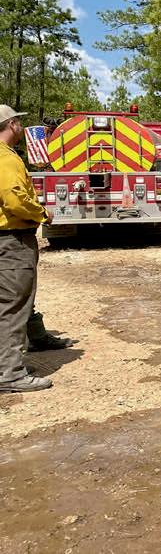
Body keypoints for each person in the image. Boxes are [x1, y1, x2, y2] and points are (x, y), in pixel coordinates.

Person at [0, 105, 60, 392]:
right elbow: (14, 199)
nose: (22, 128)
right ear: (11, 125)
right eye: (19, 123)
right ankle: (9, 374)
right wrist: (42, 213)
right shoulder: (6, 158)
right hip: (11, 240)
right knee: (13, 305)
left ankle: (9, 363)